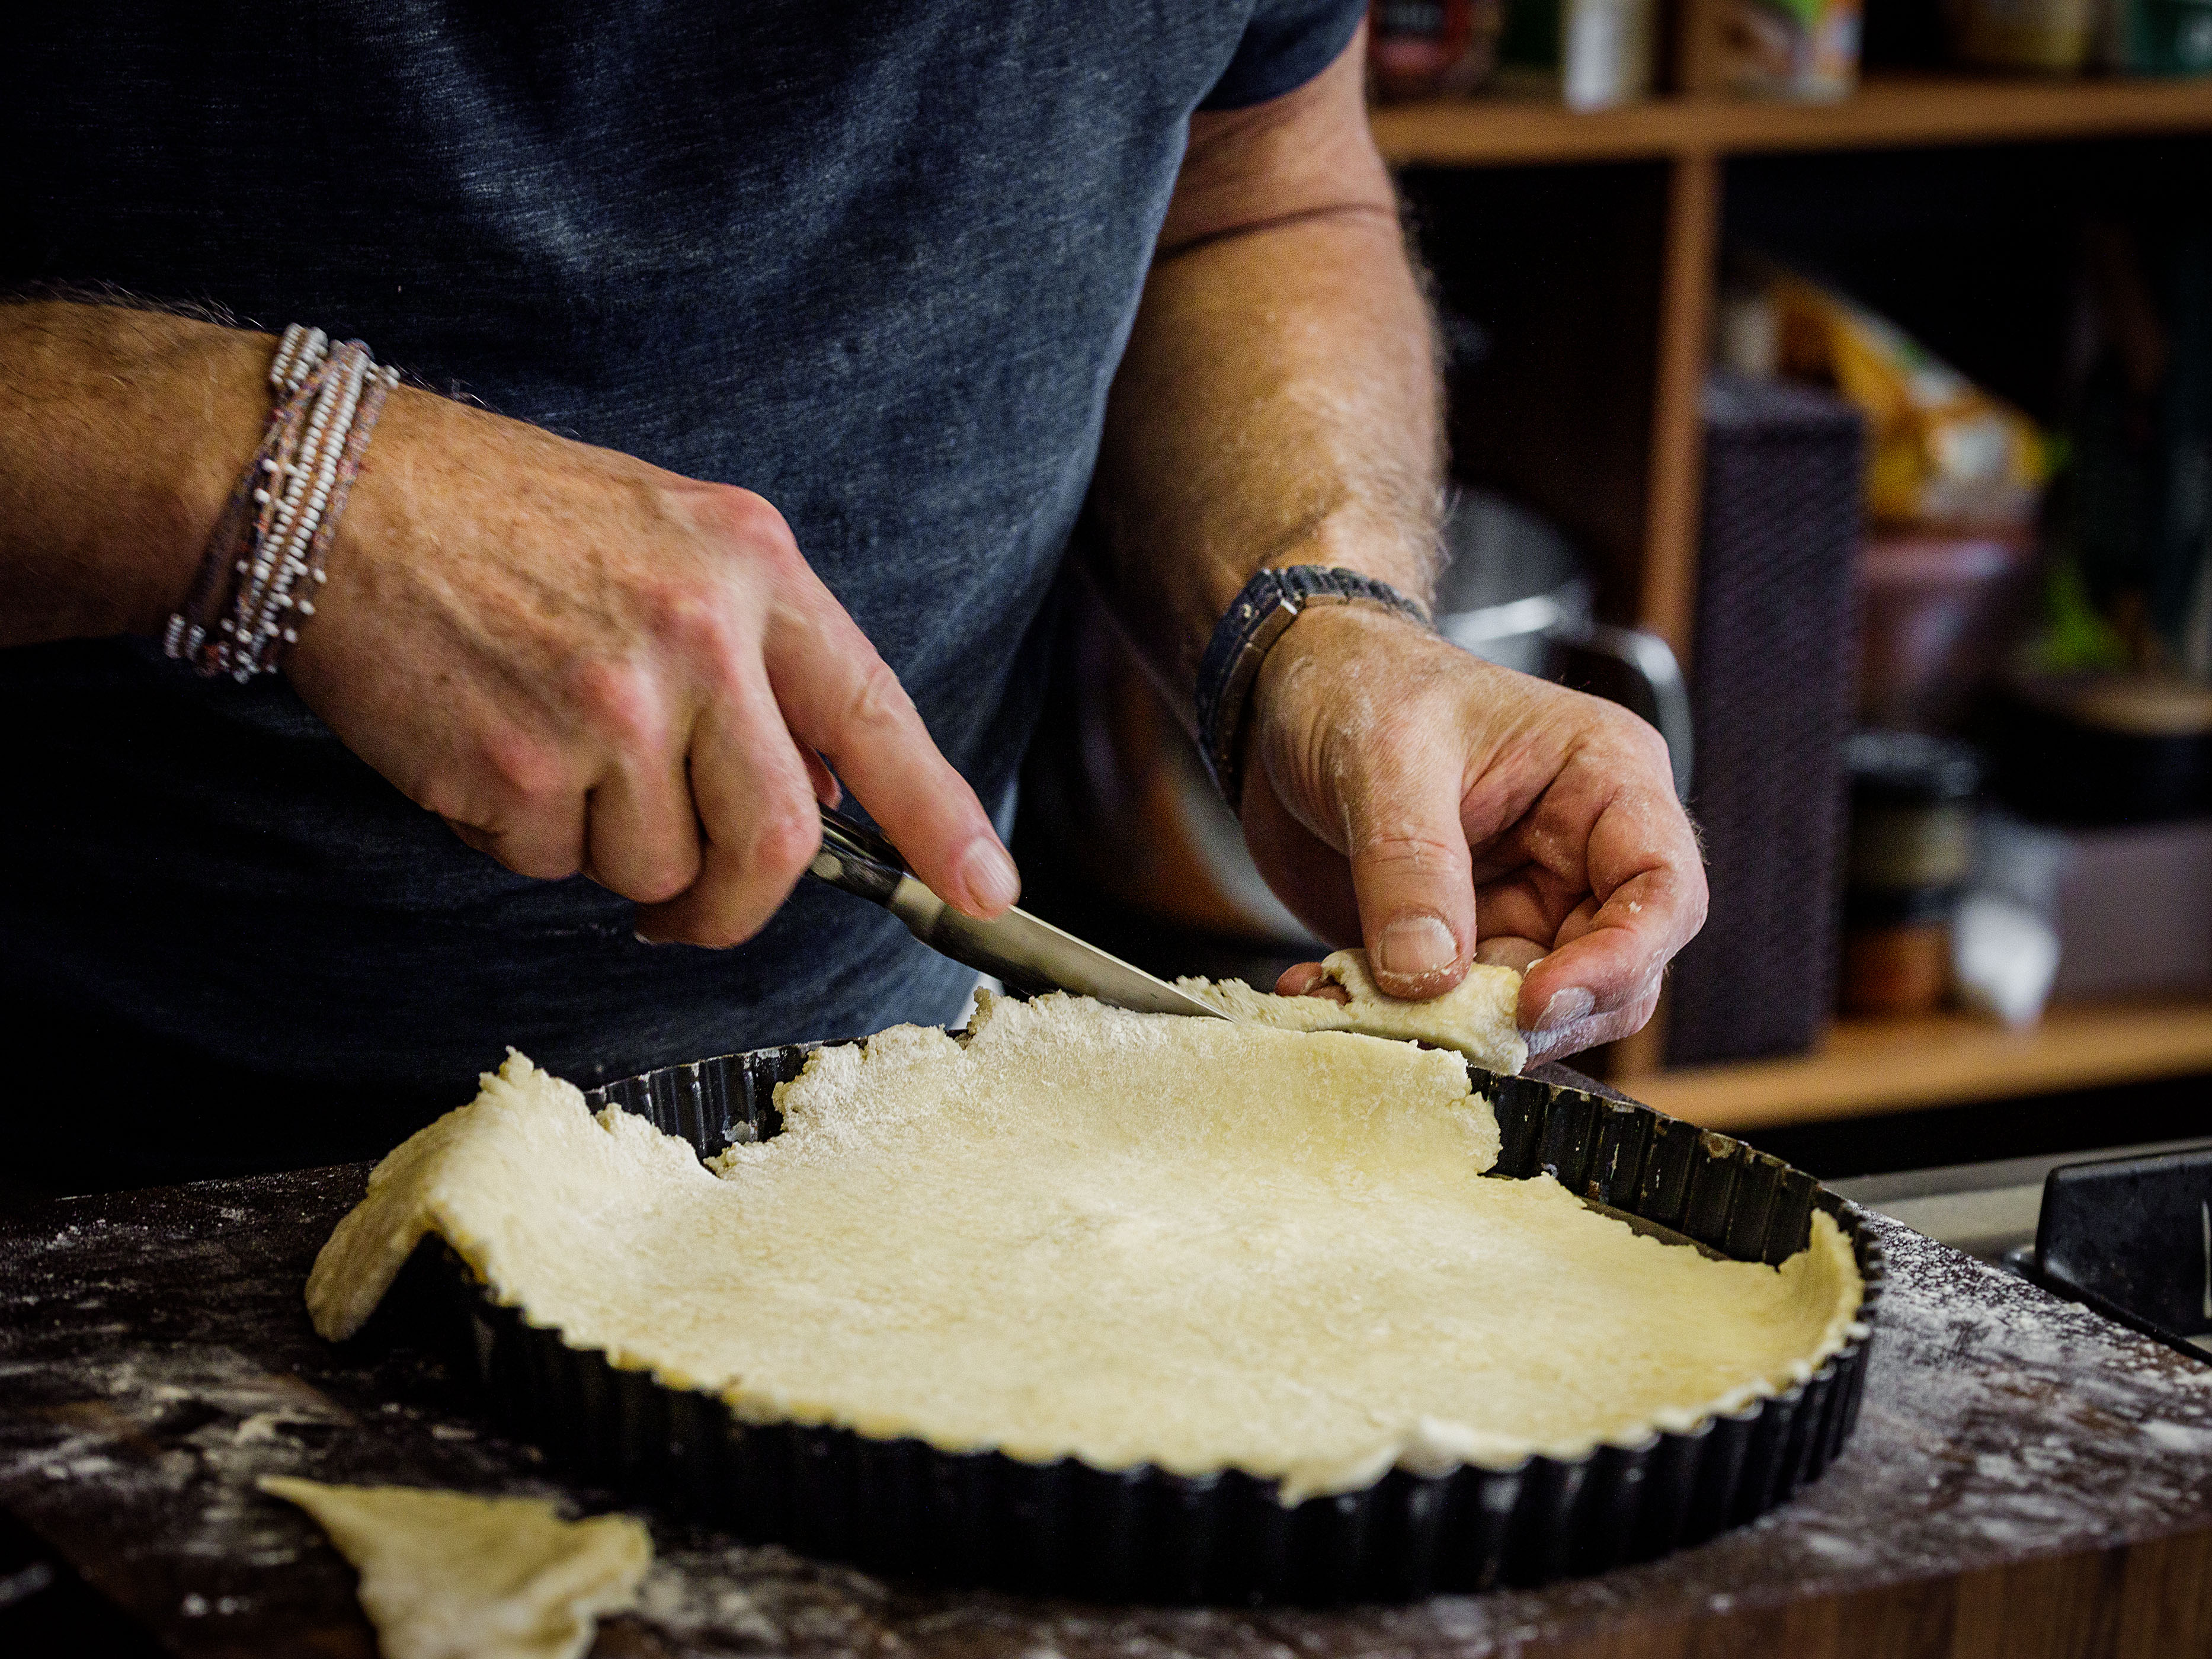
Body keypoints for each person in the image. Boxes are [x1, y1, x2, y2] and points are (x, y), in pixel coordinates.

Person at [0, 6, 1705, 1190]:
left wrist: (1318, 618)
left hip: (860, 1129)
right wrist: (271, 478)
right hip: (84, 1151)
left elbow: (1250, 182)